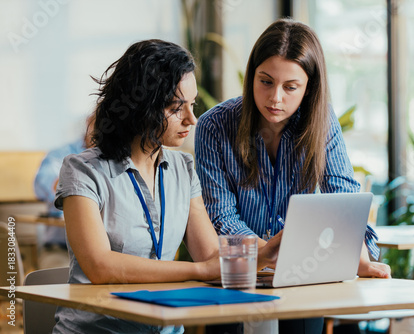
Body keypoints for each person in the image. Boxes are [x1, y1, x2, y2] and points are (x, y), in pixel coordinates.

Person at [52, 39, 281, 334]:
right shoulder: (82, 170)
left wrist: (268, 251)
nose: (192, 119)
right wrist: (199, 271)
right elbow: (100, 267)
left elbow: (210, 256)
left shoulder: (183, 169)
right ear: (141, 106)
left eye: (192, 104)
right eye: (176, 108)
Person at [195, 18, 391, 334]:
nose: (275, 99)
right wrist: (271, 255)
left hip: (300, 282)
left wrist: (359, 257)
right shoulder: (214, 126)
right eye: (266, 81)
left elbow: (343, 200)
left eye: (290, 87)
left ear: (308, 88)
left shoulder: (321, 122)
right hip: (234, 282)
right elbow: (222, 217)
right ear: (250, 76)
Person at [34, 115, 94, 269]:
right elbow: (43, 183)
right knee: (55, 278)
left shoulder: (117, 159)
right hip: (61, 250)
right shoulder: (61, 154)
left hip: (105, 253)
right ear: (89, 123)